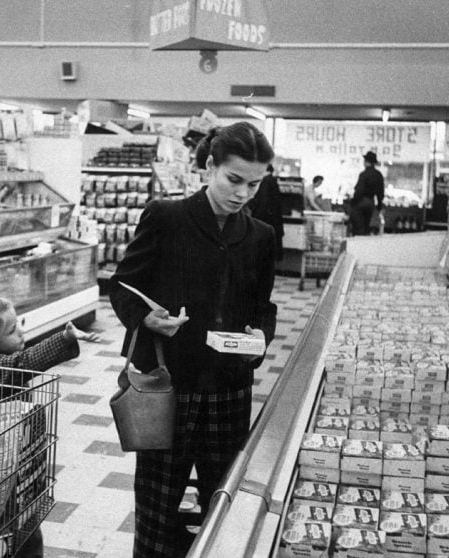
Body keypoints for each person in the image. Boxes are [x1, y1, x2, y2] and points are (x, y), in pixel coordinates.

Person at [109, 122, 277, 558]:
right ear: (209, 167)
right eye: (233, 179)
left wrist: (261, 337)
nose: (242, 193)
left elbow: (264, 306)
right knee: (157, 508)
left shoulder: (260, 236)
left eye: (254, 184)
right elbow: (123, 286)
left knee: (222, 502)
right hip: (170, 386)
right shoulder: (167, 217)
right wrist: (146, 318)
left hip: (229, 389)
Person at [0, 296, 99, 558]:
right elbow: (25, 363)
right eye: (11, 330)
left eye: (19, 323)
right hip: (2, 477)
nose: (21, 331)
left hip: (12, 467)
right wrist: (63, 339)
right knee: (16, 530)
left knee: (22, 525)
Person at [248, 163, 284, 260]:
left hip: (265, 221)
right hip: (273, 221)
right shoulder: (272, 181)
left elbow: (262, 203)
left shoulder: (265, 182)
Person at [350, 151, 385, 235]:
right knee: (366, 225)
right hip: (371, 203)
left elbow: (359, 191)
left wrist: (352, 202)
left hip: (361, 202)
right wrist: (379, 205)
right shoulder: (378, 175)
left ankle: (357, 243)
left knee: (357, 227)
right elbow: (381, 192)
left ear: (366, 162)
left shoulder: (364, 174)